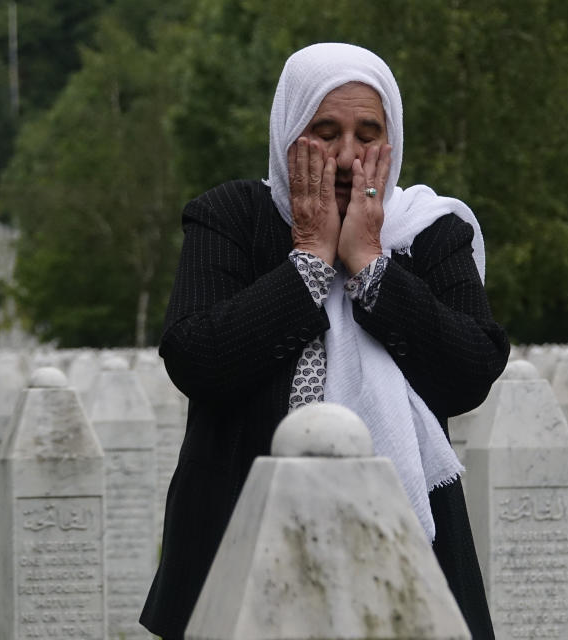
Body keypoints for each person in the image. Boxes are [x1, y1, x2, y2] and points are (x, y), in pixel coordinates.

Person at [140, 42, 510, 639]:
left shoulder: (430, 233)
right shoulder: (230, 218)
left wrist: (370, 266)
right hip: (241, 530)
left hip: (410, 543)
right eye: (324, 130)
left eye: (367, 134)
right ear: (288, 132)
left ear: (391, 143)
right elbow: (198, 357)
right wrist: (309, 261)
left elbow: (471, 370)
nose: (345, 157)